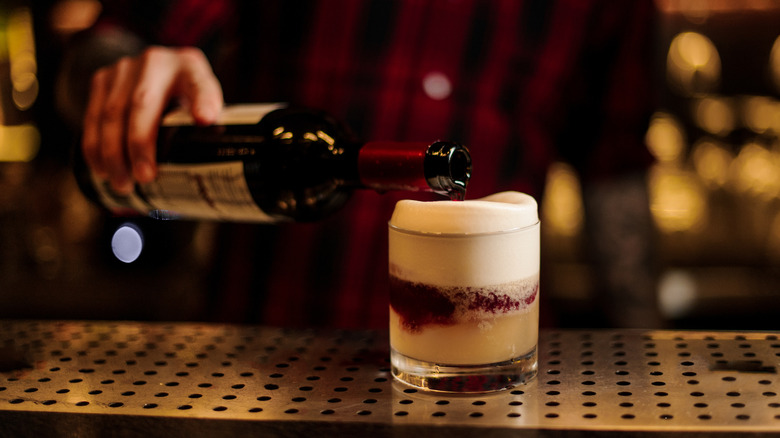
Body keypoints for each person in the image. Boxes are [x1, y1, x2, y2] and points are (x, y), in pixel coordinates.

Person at [57, 0, 661, 328]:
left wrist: (650, 374)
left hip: (488, 378)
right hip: (263, 369)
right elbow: (110, 44)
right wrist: (117, 79)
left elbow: (614, 164)